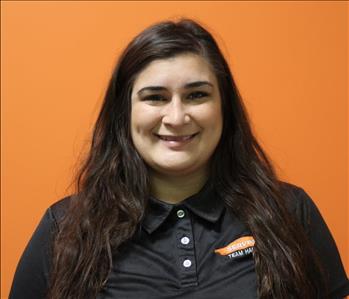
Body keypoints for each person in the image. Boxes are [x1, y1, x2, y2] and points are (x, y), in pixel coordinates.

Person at [9, 18, 349, 299]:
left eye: (196, 95)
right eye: (155, 97)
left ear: (224, 108)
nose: (176, 117)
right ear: (124, 113)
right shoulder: (65, 228)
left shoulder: (291, 212)